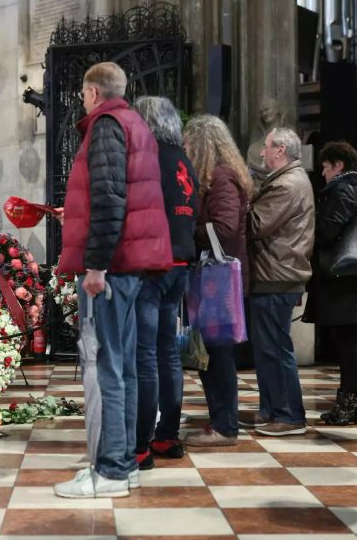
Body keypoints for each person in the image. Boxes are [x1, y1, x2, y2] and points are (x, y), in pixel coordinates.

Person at [54, 62, 172, 498]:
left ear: (92, 92)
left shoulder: (105, 124)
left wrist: (96, 266)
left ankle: (110, 472)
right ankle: (125, 463)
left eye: (83, 94)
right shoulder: (136, 123)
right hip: (133, 262)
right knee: (123, 366)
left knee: (106, 367)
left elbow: (109, 197)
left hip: (113, 266)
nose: (82, 101)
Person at [131, 96, 199, 466]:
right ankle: (166, 437)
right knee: (167, 353)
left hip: (153, 267)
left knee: (145, 356)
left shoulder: (150, 158)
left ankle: (140, 446)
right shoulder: (184, 160)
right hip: (180, 264)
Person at [182, 115, 254, 446]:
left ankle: (225, 427)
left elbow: (223, 228)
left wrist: (186, 233)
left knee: (219, 357)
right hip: (214, 281)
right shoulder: (220, 176)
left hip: (219, 282)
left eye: (188, 144)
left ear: (202, 145)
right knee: (211, 356)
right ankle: (220, 422)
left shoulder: (222, 177)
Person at [244, 127, 315, 436]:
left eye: (267, 147)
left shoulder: (287, 184)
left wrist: (239, 203)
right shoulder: (286, 181)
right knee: (267, 348)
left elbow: (256, 224)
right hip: (274, 273)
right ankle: (273, 409)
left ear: (281, 150)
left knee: (275, 348)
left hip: (277, 274)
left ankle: (289, 415)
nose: (263, 153)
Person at [303, 140, 357, 426]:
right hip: (352, 278)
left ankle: (349, 404)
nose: (322, 173)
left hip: (345, 279)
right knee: (348, 341)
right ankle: (350, 402)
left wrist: (310, 226)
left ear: (339, 165)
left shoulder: (342, 190)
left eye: (326, 167)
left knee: (347, 342)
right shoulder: (356, 189)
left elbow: (329, 230)